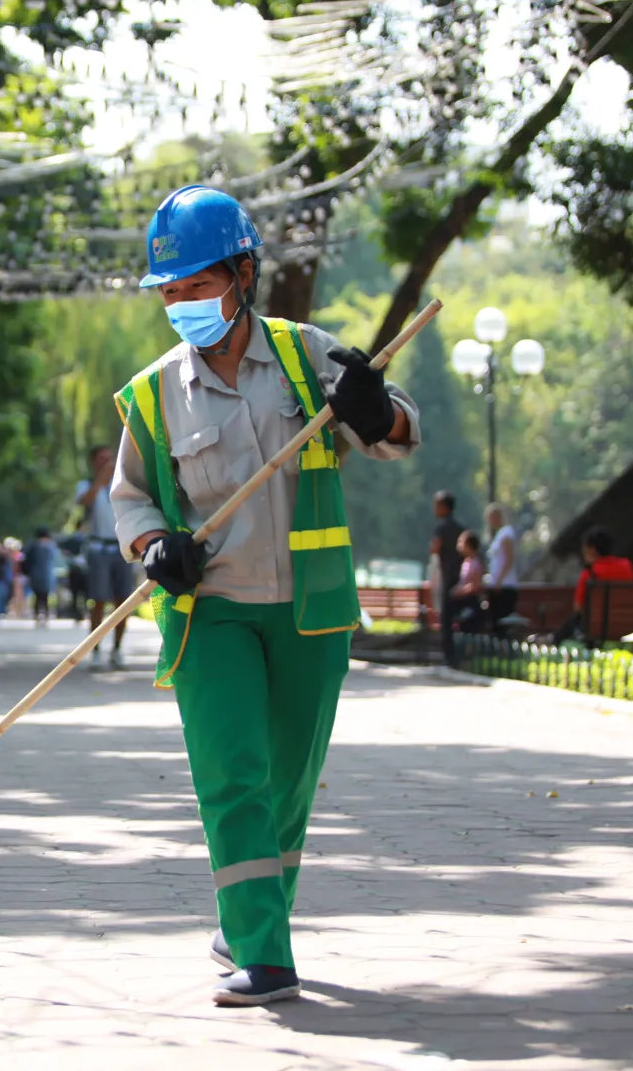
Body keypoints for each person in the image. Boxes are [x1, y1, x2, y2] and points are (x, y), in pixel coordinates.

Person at [111, 185, 419, 1005]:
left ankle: (249, 917)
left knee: (288, 780)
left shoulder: (299, 353)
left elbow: (391, 434)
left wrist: (374, 408)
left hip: (310, 612)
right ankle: (266, 953)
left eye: (197, 288)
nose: (183, 307)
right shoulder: (151, 395)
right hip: (210, 614)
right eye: (170, 294)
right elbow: (131, 496)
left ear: (244, 274)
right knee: (233, 774)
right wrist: (153, 548)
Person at [77, 446, 132, 667]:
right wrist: (101, 478)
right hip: (98, 548)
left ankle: (117, 649)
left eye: (111, 459)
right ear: (93, 462)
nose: (108, 463)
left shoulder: (125, 483)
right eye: (102, 459)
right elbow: (85, 501)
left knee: (123, 602)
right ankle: (96, 650)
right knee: (98, 600)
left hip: (122, 548)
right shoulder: (86, 485)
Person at [552, 525, 633, 643]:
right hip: (626, 624)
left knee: (574, 620)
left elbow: (578, 609)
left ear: (592, 549)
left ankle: (552, 641)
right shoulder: (626, 566)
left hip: (597, 629)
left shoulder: (589, 575)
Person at [429, 491, 464, 663]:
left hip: (446, 576)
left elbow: (435, 548)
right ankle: (460, 654)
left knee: (446, 618)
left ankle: (448, 657)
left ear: (444, 507)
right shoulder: (460, 528)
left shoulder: (441, 527)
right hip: (459, 576)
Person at [483, 502, 519, 630]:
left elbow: (509, 559)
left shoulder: (506, 534)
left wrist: (498, 581)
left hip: (505, 586)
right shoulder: (498, 535)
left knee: (503, 624)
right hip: (497, 585)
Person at [451, 530, 487, 634]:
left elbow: (476, 584)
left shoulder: (475, 563)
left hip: (471, 601)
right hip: (462, 600)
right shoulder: (466, 562)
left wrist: (462, 590)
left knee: (469, 627)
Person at [23, 527, 57, 627]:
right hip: (47, 575)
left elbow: (26, 561)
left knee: (37, 596)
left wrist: (26, 573)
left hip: (35, 575)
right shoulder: (51, 546)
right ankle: (45, 617)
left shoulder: (33, 546)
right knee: (45, 597)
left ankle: (37, 616)